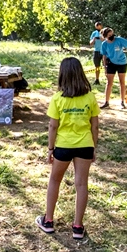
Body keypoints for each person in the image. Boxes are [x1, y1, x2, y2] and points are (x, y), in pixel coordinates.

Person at [37, 57, 99, 241]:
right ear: (81, 74)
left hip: (63, 146)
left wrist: (50, 148)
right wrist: (93, 147)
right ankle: (78, 227)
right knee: (81, 184)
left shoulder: (57, 99)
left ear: (62, 75)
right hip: (85, 145)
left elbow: (53, 126)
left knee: (54, 181)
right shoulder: (90, 97)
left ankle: (48, 221)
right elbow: (94, 127)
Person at [99, 27, 127, 108]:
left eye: (112, 34)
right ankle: (106, 102)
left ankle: (122, 102)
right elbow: (104, 56)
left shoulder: (119, 40)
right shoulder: (104, 44)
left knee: (122, 82)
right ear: (105, 36)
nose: (112, 36)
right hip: (111, 64)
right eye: (110, 35)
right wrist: (105, 68)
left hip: (122, 63)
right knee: (109, 83)